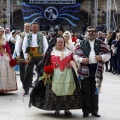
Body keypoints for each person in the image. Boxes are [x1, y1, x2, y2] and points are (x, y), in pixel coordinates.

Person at [29, 35, 82, 115]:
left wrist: (71, 64)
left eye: (62, 42)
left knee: (68, 90)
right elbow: (46, 63)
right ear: (55, 43)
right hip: (55, 74)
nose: (60, 43)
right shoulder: (51, 52)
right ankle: (56, 109)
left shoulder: (70, 51)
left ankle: (66, 109)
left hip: (68, 74)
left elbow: (74, 61)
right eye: (59, 42)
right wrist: (48, 70)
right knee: (56, 90)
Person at [73, 26, 111, 117]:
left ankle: (94, 111)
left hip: (97, 71)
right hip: (84, 71)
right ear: (86, 32)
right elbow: (75, 55)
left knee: (95, 92)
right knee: (85, 92)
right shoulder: (80, 43)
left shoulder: (101, 43)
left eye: (93, 31)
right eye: (89, 31)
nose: (91, 33)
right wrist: (82, 60)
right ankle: (86, 111)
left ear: (96, 33)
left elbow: (108, 54)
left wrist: (101, 57)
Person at [22, 22, 48, 96]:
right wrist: (26, 57)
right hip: (30, 56)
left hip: (40, 56)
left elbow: (45, 46)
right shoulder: (27, 36)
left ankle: (41, 89)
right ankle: (26, 89)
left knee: (41, 73)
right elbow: (24, 47)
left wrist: (45, 56)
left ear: (38, 28)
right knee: (28, 73)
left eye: (36, 27)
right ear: (31, 28)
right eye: (34, 27)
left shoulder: (42, 36)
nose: (35, 28)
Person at [0, 27, 18, 93]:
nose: (1, 33)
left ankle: (4, 87)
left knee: (4, 72)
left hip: (4, 57)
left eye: (2, 31)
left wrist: (11, 58)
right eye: (0, 31)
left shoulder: (5, 40)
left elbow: (8, 50)